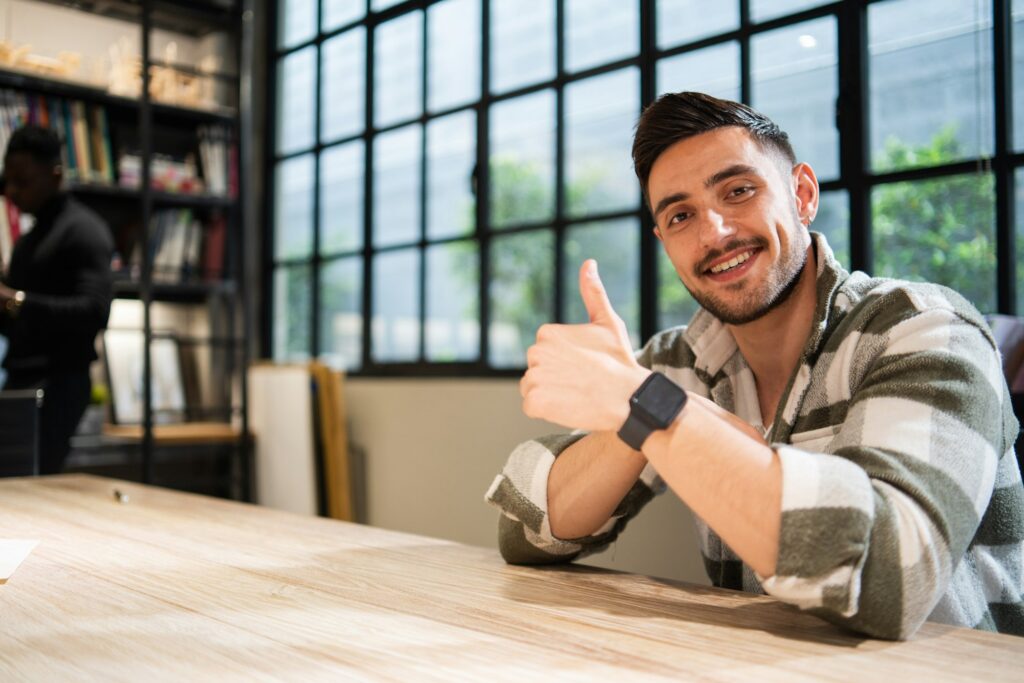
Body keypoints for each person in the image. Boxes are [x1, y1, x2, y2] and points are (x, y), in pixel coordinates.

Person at [485, 92, 1024, 640]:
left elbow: (886, 576)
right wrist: (643, 411)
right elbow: (528, 528)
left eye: (739, 191)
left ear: (803, 194)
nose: (713, 233)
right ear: (664, 242)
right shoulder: (679, 362)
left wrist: (649, 408)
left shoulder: (924, 330)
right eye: (680, 215)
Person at [0, 125, 113, 475]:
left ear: (56, 175)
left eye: (23, 181)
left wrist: (15, 300)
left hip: (59, 384)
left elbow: (94, 311)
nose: (12, 192)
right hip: (20, 381)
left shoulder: (84, 231)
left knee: (32, 488)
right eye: (9, 182)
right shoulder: (28, 243)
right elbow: (13, 323)